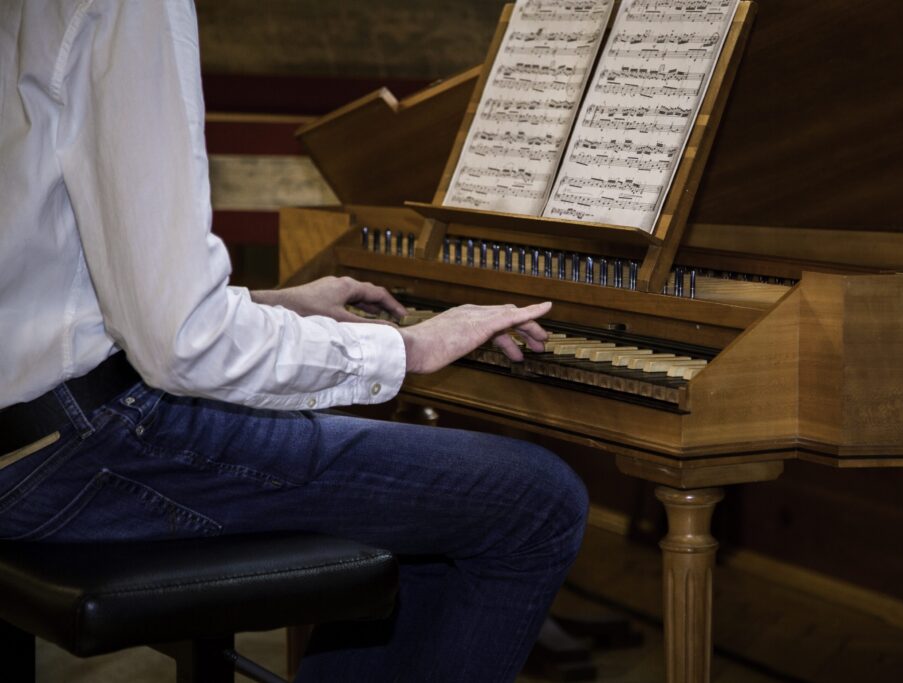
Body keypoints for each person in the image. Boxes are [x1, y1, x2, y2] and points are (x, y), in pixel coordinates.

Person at [0, 2, 588, 681]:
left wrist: (270, 304)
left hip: (26, 436)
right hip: (78, 444)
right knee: (538, 499)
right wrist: (412, 348)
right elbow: (181, 344)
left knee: (431, 499)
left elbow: (53, 266)